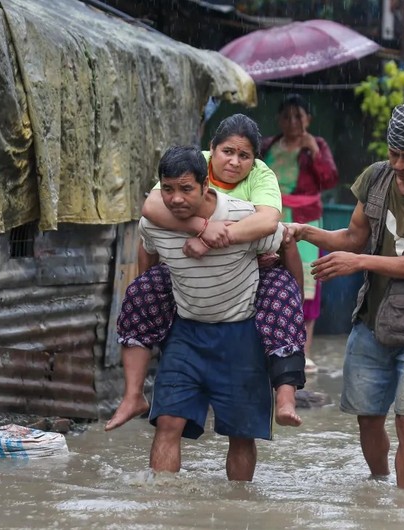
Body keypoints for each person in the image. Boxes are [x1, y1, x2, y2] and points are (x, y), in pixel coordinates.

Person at [285, 102, 404, 489]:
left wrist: (360, 262)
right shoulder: (376, 177)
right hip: (371, 321)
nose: (400, 164)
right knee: (368, 417)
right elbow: (353, 236)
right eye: (394, 154)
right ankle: (378, 490)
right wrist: (303, 232)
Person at [106, 114, 307, 432]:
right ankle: (133, 395)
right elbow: (152, 208)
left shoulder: (261, 176)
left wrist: (213, 240)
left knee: (283, 299)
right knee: (141, 292)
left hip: (255, 262)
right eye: (227, 151)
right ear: (211, 150)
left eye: (244, 155)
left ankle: (286, 397)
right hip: (189, 269)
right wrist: (202, 228)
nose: (235, 161)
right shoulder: (189, 166)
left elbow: (270, 224)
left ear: (254, 160)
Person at [141, 145, 286, 480]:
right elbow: (147, 252)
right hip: (186, 332)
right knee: (168, 422)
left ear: (207, 186)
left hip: (240, 334)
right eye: (168, 189)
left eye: (186, 189)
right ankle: (160, 505)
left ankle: (237, 508)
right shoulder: (154, 222)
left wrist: (287, 313)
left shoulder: (244, 216)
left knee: (241, 431)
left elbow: (280, 240)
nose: (175, 199)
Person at [261, 94, 339, 371]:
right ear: (279, 120)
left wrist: (315, 152)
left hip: (305, 222)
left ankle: (303, 350)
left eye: (299, 116)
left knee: (306, 280)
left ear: (308, 120)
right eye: (287, 116)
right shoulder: (268, 144)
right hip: (271, 217)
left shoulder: (316, 145)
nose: (293, 122)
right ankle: (272, 345)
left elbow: (329, 179)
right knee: (269, 273)